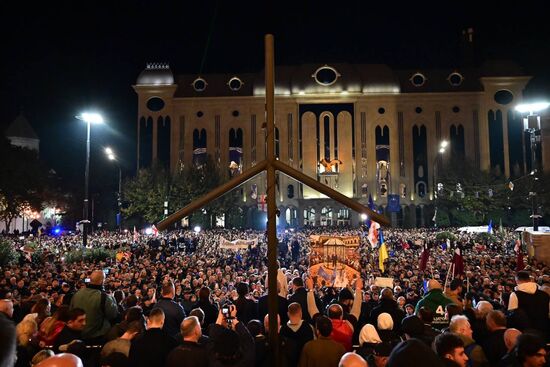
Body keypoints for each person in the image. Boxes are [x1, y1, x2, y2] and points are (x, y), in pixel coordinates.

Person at [69, 270, 118, 342]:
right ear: (102, 281)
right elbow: (113, 315)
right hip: (97, 336)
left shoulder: (77, 294)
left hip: (77, 335)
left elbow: (71, 311)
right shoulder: (104, 297)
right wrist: (113, 299)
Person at [507, 271, 549, 339]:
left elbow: (512, 315)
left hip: (525, 335)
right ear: (529, 280)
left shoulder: (515, 294)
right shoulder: (545, 295)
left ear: (517, 281)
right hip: (544, 331)